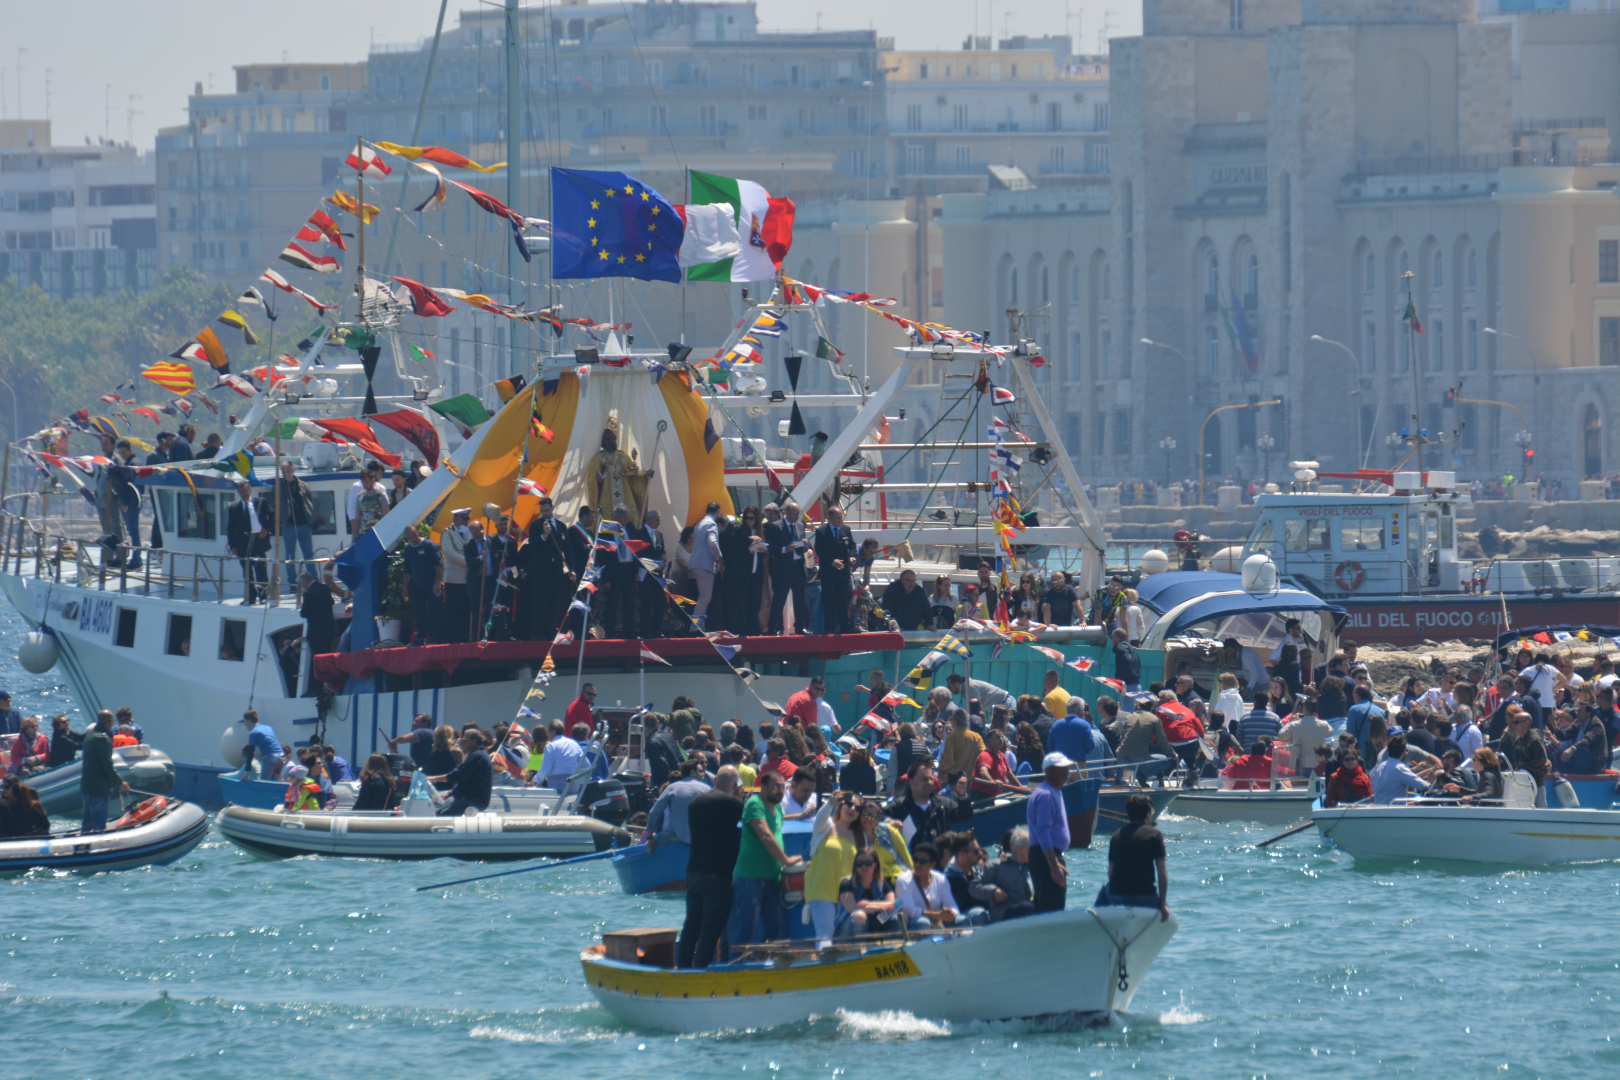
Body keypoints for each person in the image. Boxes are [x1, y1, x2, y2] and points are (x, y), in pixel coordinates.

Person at [678, 766, 746, 967]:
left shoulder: (696, 802)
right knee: (710, 929)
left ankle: (682, 968)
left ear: (715, 779)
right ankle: (701, 971)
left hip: (694, 870)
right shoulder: (735, 805)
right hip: (719, 873)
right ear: (735, 786)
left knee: (691, 926)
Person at [730, 770, 803, 947]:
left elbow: (779, 822)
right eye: (776, 787)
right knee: (748, 930)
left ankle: (764, 965)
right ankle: (735, 969)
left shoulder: (777, 807)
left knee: (776, 930)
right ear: (763, 788)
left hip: (771, 879)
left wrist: (801, 815)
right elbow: (765, 835)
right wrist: (786, 860)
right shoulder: (755, 804)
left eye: (783, 787)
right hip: (750, 879)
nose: (780, 791)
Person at [1096, 793, 1171, 921]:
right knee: (1166, 908)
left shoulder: (1116, 836)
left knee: (1105, 889)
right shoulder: (1155, 835)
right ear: (1147, 814)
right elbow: (1162, 873)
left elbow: (1110, 873)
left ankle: (1097, 920)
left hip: (1117, 895)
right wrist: (1163, 904)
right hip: (1145, 897)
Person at [806, 791, 868, 945]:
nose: (852, 808)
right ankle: (823, 965)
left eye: (857, 808)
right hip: (821, 888)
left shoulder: (862, 837)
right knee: (824, 933)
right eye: (848, 804)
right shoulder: (825, 826)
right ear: (840, 806)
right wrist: (829, 804)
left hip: (848, 893)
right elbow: (820, 818)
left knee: (849, 935)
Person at [884, 761, 972, 848]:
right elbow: (875, 815)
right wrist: (888, 821)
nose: (929, 782)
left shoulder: (944, 804)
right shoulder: (900, 805)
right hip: (912, 860)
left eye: (931, 779)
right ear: (912, 782)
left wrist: (963, 795)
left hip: (939, 859)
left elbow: (964, 816)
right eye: (924, 779)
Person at [1027, 753, 1072, 913]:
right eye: (1063, 769)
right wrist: (1053, 865)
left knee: (1050, 906)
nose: (1067, 772)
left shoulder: (1052, 792)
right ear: (1053, 771)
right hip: (1045, 856)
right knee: (1051, 907)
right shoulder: (1046, 795)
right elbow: (1043, 831)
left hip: (1048, 855)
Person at [582, 419, 652, 523]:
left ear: (615, 438)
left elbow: (633, 476)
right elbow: (592, 480)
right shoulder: (598, 459)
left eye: (611, 438)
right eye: (607, 439)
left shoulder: (624, 457)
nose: (610, 441)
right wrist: (600, 475)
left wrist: (645, 475)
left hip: (626, 499)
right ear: (602, 441)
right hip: (607, 502)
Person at [894, 842, 966, 929]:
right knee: (923, 922)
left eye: (922, 861)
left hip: (937, 923)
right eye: (915, 860)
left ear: (933, 864)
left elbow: (953, 906)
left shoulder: (941, 879)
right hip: (914, 925)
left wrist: (950, 913)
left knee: (961, 919)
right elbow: (910, 911)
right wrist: (938, 915)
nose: (917, 864)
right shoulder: (903, 880)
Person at [719, 505, 767, 636]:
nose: (749, 520)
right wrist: (749, 541)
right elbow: (735, 546)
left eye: (752, 518)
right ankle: (741, 630)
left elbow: (766, 550)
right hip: (743, 574)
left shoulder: (761, 531)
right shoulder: (740, 531)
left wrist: (763, 550)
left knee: (754, 603)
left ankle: (753, 630)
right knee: (741, 603)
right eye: (747, 517)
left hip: (756, 573)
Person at [79, 710, 129, 833]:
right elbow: (107, 765)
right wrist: (120, 782)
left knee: (87, 825)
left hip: (87, 786)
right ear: (110, 721)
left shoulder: (90, 736)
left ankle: (83, 848)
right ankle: (98, 848)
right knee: (99, 826)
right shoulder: (103, 739)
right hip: (99, 788)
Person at [976, 826, 1037, 921]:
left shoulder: (1029, 866)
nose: (1034, 852)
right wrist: (994, 891)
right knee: (1027, 907)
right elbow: (976, 888)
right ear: (1020, 849)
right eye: (1031, 848)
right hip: (1004, 913)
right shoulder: (995, 866)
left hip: (1025, 909)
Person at [813, 505, 857, 635]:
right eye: (837, 517)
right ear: (830, 517)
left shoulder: (846, 530)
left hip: (843, 573)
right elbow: (819, 550)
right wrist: (832, 562)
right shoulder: (821, 531)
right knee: (828, 601)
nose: (840, 520)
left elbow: (852, 545)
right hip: (828, 573)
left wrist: (852, 556)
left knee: (842, 600)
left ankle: (844, 626)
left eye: (841, 517)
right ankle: (829, 626)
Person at [225, 480, 271, 603]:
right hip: (242, 543)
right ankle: (251, 597)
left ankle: (264, 596)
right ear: (238, 493)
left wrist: (266, 529)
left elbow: (273, 516)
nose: (244, 494)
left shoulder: (261, 502)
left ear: (250, 490)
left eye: (246, 491)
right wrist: (233, 546)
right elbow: (230, 529)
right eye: (241, 492)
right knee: (247, 571)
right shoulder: (233, 508)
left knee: (261, 568)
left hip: (258, 540)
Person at [837, 849, 899, 937]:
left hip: (875, 928)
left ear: (876, 864)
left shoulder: (882, 884)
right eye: (859, 864)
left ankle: (891, 945)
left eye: (868, 863)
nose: (863, 867)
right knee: (859, 915)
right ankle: (857, 948)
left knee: (899, 917)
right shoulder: (846, 883)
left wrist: (869, 904)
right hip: (848, 933)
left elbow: (892, 905)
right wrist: (879, 907)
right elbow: (853, 909)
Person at [274, 460, 316, 588]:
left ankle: (314, 582)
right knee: (290, 556)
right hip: (289, 526)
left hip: (304, 525)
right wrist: (281, 521)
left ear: (293, 470)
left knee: (309, 555)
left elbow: (310, 501)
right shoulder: (278, 487)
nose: (285, 473)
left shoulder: (303, 485)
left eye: (287, 471)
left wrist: (311, 518)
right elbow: (273, 505)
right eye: (283, 471)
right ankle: (292, 582)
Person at [429, 730, 492, 815]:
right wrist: (450, 793)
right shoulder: (476, 755)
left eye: (465, 740)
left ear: (475, 741)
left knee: (443, 817)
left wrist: (434, 778)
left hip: (473, 800)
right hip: (468, 798)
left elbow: (458, 774)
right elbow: (466, 779)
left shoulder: (478, 756)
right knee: (438, 812)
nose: (462, 742)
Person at [401, 524, 444, 646]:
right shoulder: (408, 549)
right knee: (419, 612)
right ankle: (420, 638)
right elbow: (407, 570)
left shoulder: (429, 546)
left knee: (434, 612)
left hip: (431, 585)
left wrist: (437, 583)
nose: (412, 539)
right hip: (418, 586)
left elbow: (439, 565)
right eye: (409, 538)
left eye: (414, 536)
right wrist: (405, 588)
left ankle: (434, 638)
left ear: (418, 533)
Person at [688, 502, 725, 629]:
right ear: (718, 511)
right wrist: (720, 557)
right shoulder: (711, 523)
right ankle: (695, 627)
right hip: (705, 564)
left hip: (696, 563)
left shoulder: (700, 523)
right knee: (704, 599)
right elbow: (712, 542)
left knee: (703, 598)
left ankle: (700, 626)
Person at [1369, 735, 1434, 804]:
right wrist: (1431, 779)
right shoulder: (1399, 768)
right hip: (1396, 811)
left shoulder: (1379, 766)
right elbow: (1423, 786)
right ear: (1403, 752)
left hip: (1378, 809)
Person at [1277, 698, 1333, 778]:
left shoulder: (1294, 725)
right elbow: (1330, 730)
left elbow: (1281, 736)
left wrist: (1290, 722)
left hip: (1299, 765)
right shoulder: (1324, 724)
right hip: (1318, 764)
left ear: (1304, 708)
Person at [939, 708, 987, 786]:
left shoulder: (951, 737)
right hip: (971, 780)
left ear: (955, 721)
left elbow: (948, 762)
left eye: (952, 719)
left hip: (954, 781)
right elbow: (983, 756)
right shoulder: (976, 737)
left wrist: (940, 769)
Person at [537, 721, 587, 793]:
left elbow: (545, 769)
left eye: (547, 731)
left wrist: (535, 781)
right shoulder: (574, 743)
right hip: (573, 785)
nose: (546, 734)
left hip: (556, 785)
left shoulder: (550, 746)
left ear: (553, 732)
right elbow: (585, 765)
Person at [240, 710, 285, 780]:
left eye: (245, 722)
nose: (244, 725)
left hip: (270, 757)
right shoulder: (268, 728)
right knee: (275, 784)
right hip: (281, 757)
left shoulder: (253, 733)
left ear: (249, 722)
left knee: (265, 783)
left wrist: (246, 771)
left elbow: (250, 753)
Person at [944, 672, 1016, 715]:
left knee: (1013, 719)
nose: (949, 690)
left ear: (957, 684)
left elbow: (977, 709)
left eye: (950, 687)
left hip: (1007, 703)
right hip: (998, 710)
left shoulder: (970, 687)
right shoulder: (966, 689)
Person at [1111, 628, 1142, 692]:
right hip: (1135, 683)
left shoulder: (1121, 646)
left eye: (1112, 637)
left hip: (1128, 686)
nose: (1111, 640)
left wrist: (1120, 678)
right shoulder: (1129, 647)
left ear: (1116, 637)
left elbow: (1127, 660)